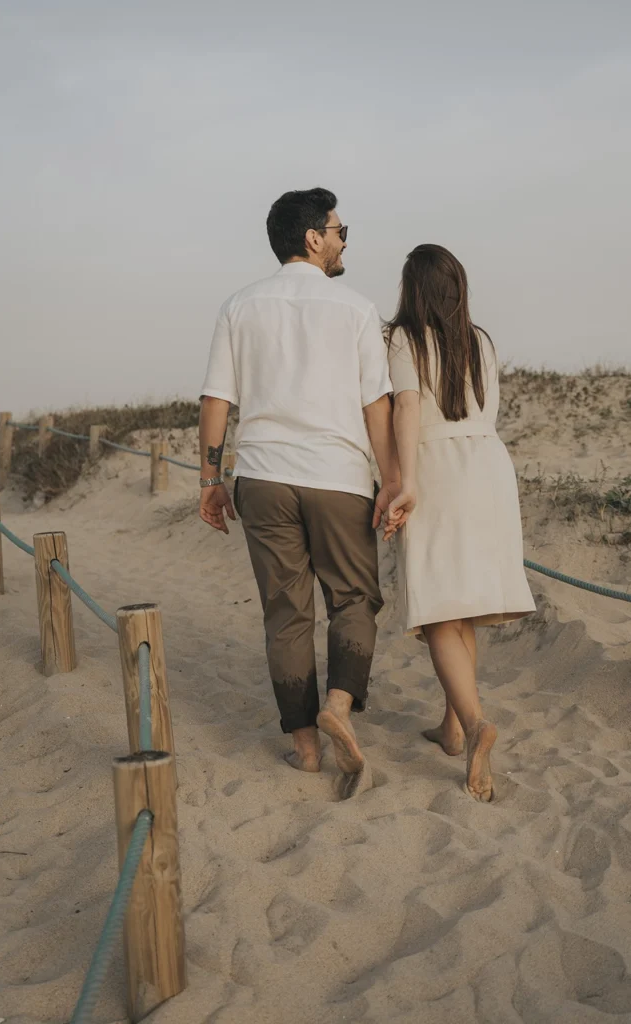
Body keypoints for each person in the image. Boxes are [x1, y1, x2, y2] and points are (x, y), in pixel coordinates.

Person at [198, 188, 399, 799]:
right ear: (313, 238)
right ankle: (338, 703)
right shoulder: (356, 308)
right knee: (355, 597)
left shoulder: (239, 305)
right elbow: (377, 405)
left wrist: (209, 480)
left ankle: (306, 749)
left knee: (285, 613)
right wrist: (391, 480)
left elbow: (217, 400)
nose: (343, 242)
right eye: (340, 231)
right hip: (337, 476)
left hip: (262, 476)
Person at [382, 244, 535, 802]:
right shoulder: (482, 340)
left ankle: (473, 725)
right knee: (462, 604)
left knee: (439, 610)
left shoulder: (404, 338)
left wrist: (405, 481)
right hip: (490, 468)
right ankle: (450, 727)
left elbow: (405, 406)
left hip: (440, 468)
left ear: (412, 290)